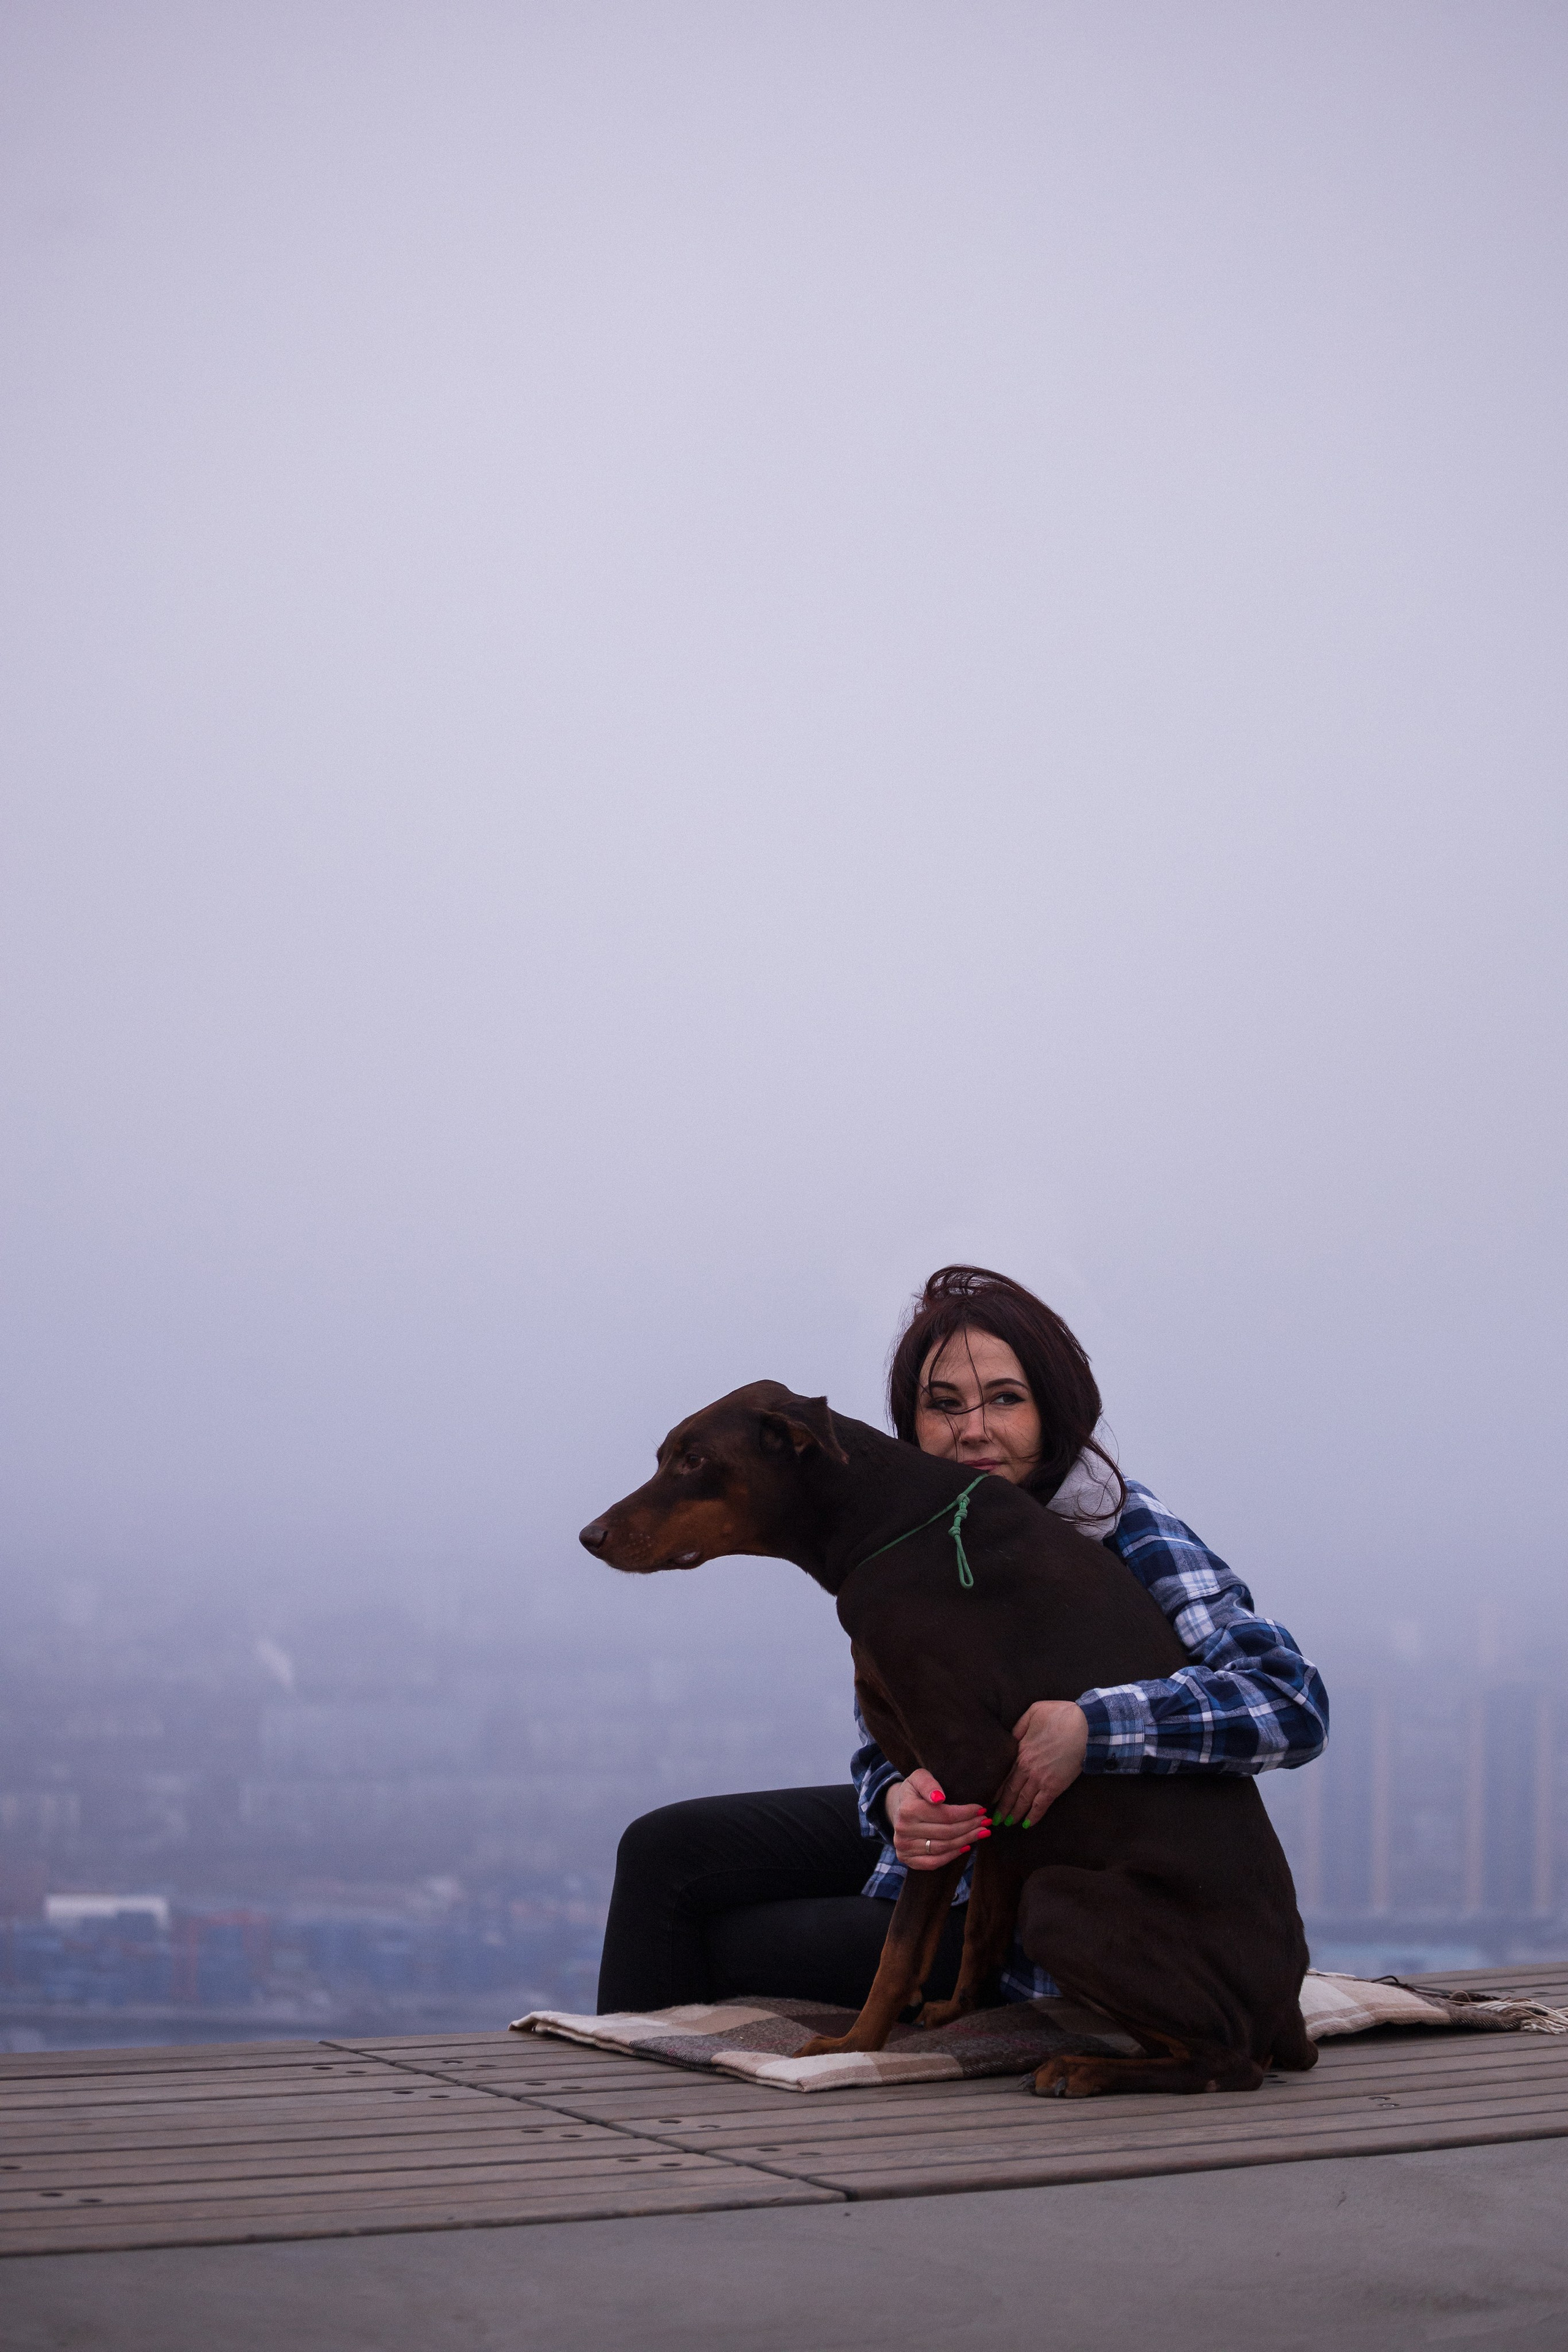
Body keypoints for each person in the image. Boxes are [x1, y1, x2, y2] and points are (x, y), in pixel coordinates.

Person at [595, 1265, 1328, 2013]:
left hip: (1062, 1897)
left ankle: (644, 2100)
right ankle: (617, 2097)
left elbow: (1290, 1699)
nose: (972, 1429)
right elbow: (894, 1741)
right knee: (666, 1850)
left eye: (1004, 1400)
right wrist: (895, 1803)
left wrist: (1090, 1727)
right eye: (941, 1405)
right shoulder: (910, 1534)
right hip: (949, 1844)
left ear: (1055, 1410)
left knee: (726, 1943)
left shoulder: (1117, 1523)